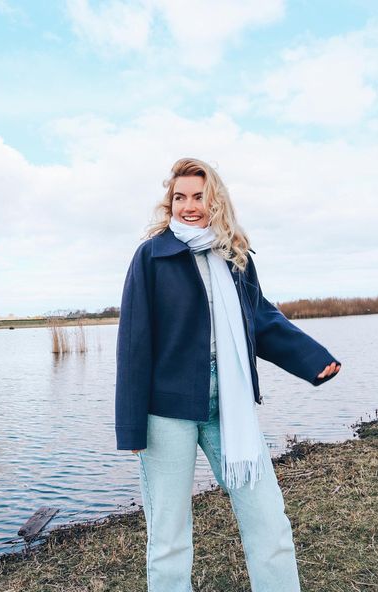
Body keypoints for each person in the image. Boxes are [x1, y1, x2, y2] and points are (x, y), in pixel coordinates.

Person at [115, 157, 341, 592]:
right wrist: (130, 428)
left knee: (268, 520)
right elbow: (133, 343)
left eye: (198, 196)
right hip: (167, 412)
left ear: (214, 199)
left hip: (230, 404)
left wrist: (312, 358)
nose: (188, 205)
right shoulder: (152, 257)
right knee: (168, 536)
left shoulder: (234, 256)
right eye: (179, 197)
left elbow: (261, 319)